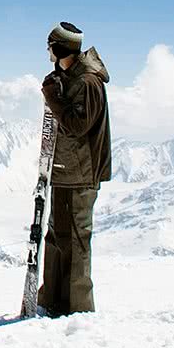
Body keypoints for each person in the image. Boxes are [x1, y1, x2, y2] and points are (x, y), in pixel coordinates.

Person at [37, 21, 111, 317]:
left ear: (58, 49)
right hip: (65, 170)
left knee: (78, 239)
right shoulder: (69, 78)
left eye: (50, 47)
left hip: (81, 174)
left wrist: (53, 96)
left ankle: (79, 309)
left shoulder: (88, 83)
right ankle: (54, 300)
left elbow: (78, 125)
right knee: (57, 236)